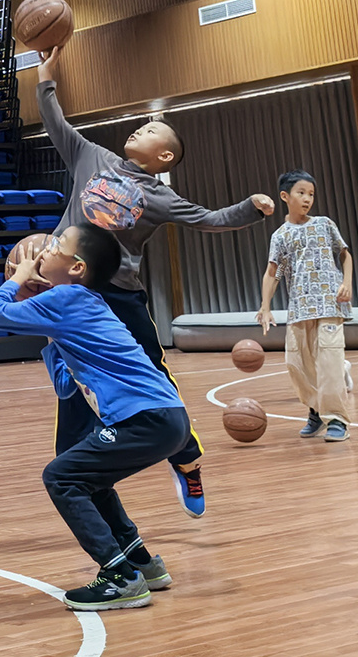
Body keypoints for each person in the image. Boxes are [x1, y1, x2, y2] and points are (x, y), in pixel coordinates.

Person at [34, 46, 272, 513]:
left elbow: (210, 218)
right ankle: (74, 464)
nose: (141, 128)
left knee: (155, 376)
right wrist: (45, 79)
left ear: (162, 156)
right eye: (141, 124)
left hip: (119, 294)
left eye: (153, 131)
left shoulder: (159, 197)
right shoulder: (90, 157)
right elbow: (54, 121)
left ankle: (187, 461)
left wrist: (251, 207)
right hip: (71, 290)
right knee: (77, 383)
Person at [0, 223, 195, 612]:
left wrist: (20, 279)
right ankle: (143, 565)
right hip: (166, 418)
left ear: (76, 267)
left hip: (145, 418)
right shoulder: (83, 302)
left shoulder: (64, 299)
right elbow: (66, 387)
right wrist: (49, 334)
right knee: (91, 481)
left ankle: (119, 578)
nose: (45, 249)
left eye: (57, 245)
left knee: (60, 476)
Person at [256, 171, 355, 441]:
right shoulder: (280, 236)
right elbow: (272, 272)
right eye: (301, 193)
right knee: (295, 364)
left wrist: (346, 283)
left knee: (329, 361)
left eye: (311, 194)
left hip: (330, 305)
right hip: (299, 308)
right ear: (285, 196)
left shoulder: (324, 224)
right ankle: (315, 408)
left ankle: (337, 420)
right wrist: (265, 306)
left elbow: (345, 254)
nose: (308, 198)